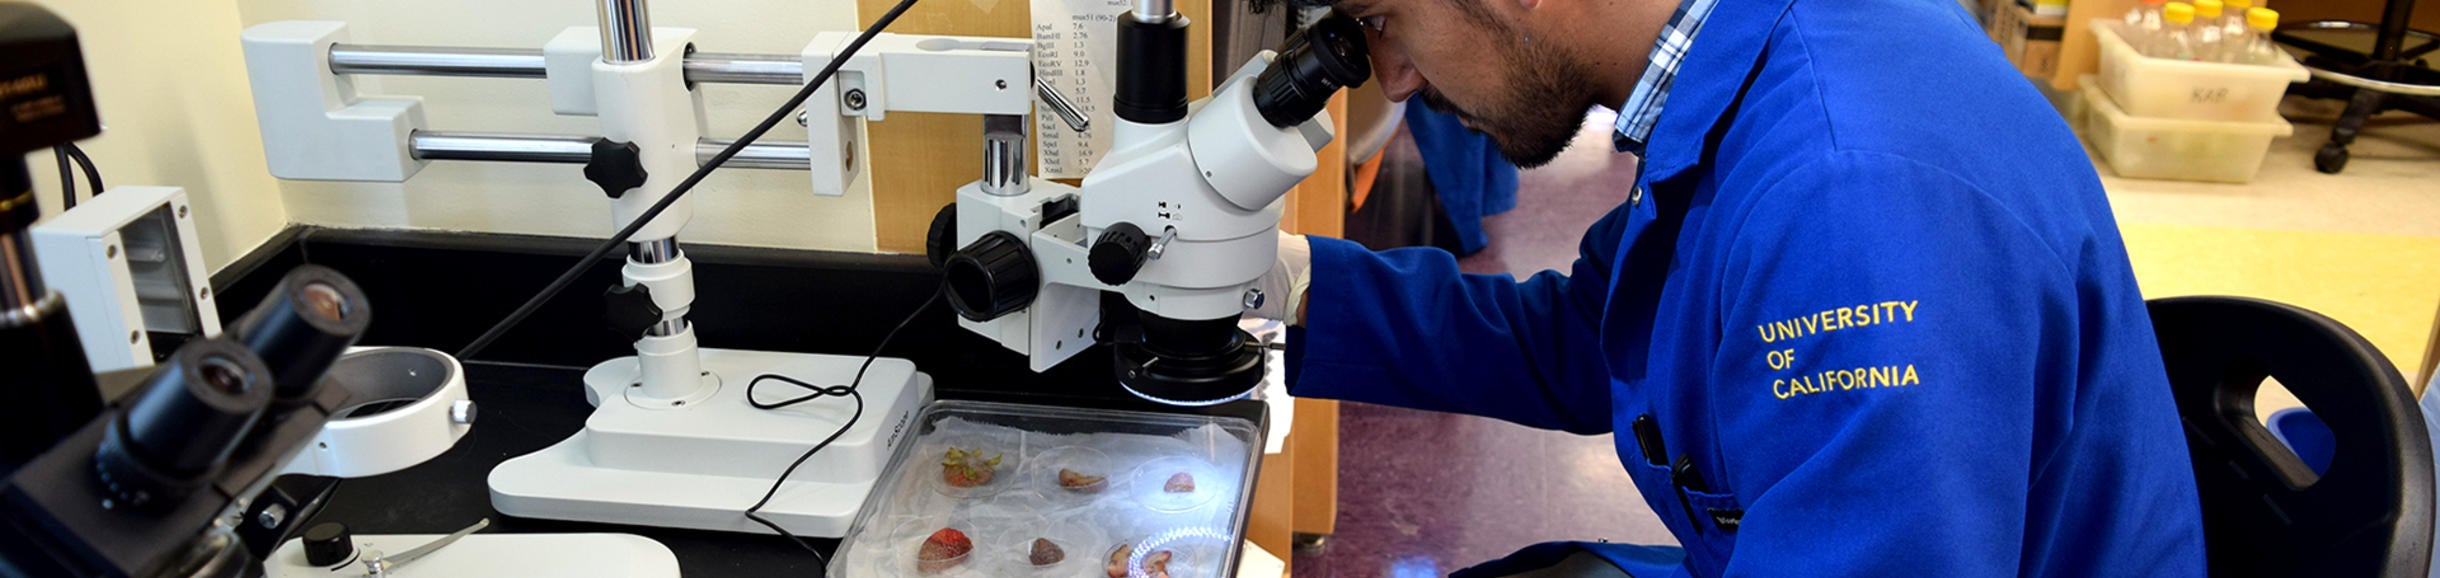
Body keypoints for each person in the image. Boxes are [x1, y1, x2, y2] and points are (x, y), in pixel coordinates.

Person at [1251, 0, 2210, 574]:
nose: (1397, 77)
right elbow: (1599, 338)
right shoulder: (1756, 67)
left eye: (1381, 20)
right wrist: (1287, 285)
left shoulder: (1850, 199)